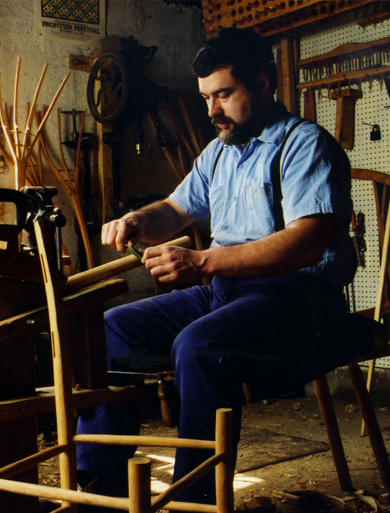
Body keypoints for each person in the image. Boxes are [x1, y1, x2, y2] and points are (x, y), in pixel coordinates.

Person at [76, 27, 372, 510]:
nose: (212, 110)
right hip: (227, 291)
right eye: (206, 97)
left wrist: (202, 260)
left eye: (223, 95)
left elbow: (306, 243)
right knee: (114, 327)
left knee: (197, 345)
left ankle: (197, 500)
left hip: (297, 298)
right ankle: (101, 489)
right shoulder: (220, 150)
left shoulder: (303, 144)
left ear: (261, 84)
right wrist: (137, 219)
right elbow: (174, 210)